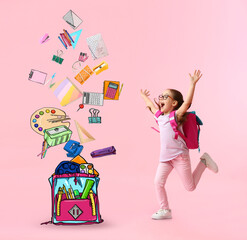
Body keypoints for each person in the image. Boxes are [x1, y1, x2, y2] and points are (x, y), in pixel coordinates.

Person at [140, 70, 218, 220]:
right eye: (160, 96)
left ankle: (204, 161)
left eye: (164, 97)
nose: (160, 99)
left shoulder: (175, 116)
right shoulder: (160, 117)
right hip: (165, 159)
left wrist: (192, 84)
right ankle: (165, 210)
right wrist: (144, 97)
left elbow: (187, 103)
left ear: (174, 103)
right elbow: (151, 106)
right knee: (158, 182)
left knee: (190, 187)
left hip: (180, 157)